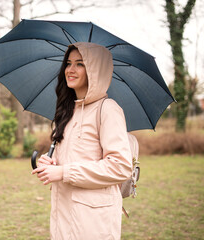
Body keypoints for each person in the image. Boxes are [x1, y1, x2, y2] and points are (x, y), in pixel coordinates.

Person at [31, 42, 132, 240]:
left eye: (80, 64)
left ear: (95, 70)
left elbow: (120, 166)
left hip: (93, 222)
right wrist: (50, 162)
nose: (70, 69)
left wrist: (63, 172)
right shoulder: (67, 112)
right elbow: (71, 158)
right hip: (63, 214)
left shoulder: (108, 109)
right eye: (68, 63)